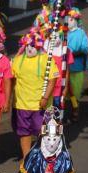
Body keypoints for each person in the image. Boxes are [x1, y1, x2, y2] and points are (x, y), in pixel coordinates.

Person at [10, 30, 57, 159]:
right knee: (24, 132)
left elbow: (52, 80)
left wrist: (45, 97)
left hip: (39, 105)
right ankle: (26, 158)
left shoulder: (46, 60)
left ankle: (43, 156)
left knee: (41, 132)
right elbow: (11, 80)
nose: (30, 48)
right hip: (21, 105)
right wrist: (8, 101)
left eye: (33, 45)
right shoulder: (17, 60)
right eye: (28, 46)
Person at [65, 8, 88, 122]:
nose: (69, 21)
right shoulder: (63, 32)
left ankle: (75, 110)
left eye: (72, 19)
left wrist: (71, 53)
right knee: (65, 91)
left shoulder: (81, 33)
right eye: (68, 18)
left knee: (75, 91)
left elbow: (85, 49)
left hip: (76, 66)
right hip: (64, 67)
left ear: (76, 20)